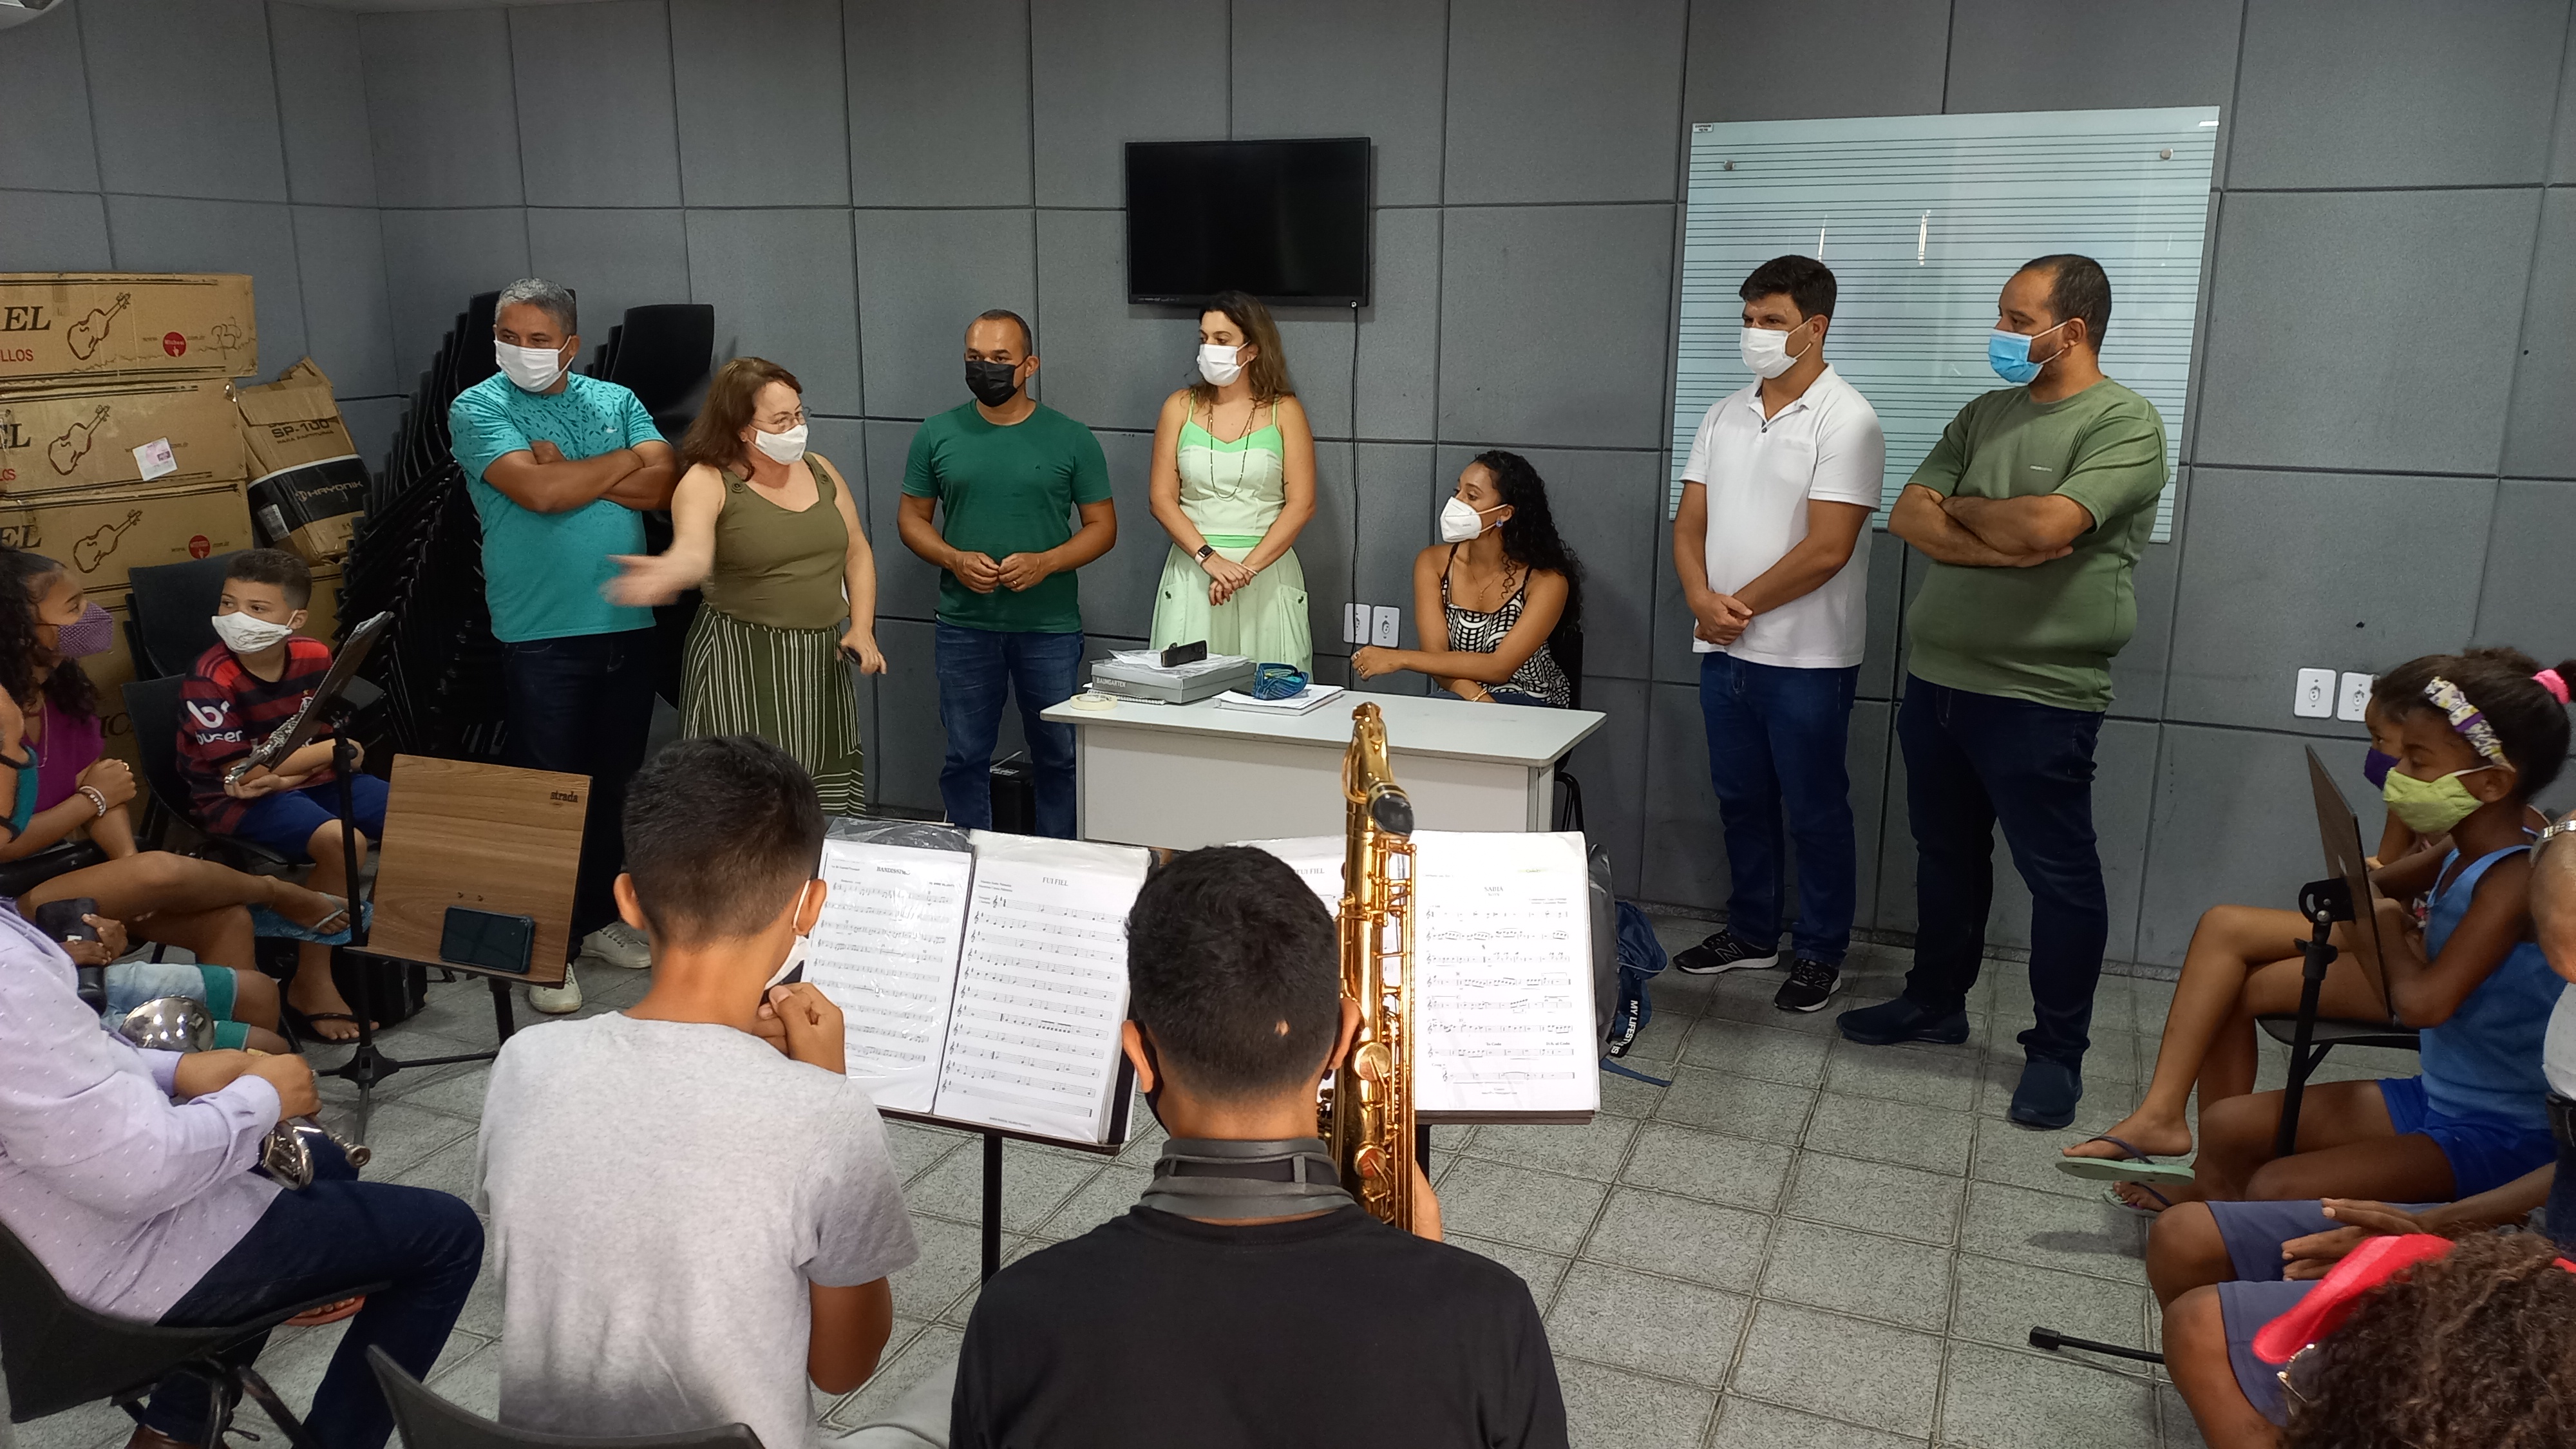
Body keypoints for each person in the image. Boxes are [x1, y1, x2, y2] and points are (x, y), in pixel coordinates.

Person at [951, 846, 1567, 1449]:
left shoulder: (1020, 1314)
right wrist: (1431, 1286)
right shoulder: (1490, 1317)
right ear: (1343, 1041)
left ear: (1139, 1055)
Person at [475, 735, 916, 1449]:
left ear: (628, 900)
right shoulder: (826, 1115)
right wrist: (821, 1084)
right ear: (809, 907)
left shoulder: (525, 1063)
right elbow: (844, 1367)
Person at [1837, 254, 2170, 1132]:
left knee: (2059, 878)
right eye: (2003, 316)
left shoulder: (2125, 422)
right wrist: (2001, 538)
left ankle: (2056, 1052)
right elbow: (1909, 514)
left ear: (2074, 330)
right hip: (1938, 680)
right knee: (1944, 855)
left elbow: (2052, 523)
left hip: (2040, 693)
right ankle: (1934, 1002)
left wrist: (1968, 508)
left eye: (2019, 321)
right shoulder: (1985, 413)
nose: (2002, 334)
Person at [2062, 652, 2566, 1197]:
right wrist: (2374, 895)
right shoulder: (2460, 847)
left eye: (2415, 760)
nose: (2396, 774)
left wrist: (2387, 924)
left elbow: (2421, 1003)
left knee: (2273, 1186)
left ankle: (2221, 1218)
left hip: (2499, 1129)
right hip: (2438, 1095)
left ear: (2491, 784)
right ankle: (2208, 1188)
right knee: (2228, 1126)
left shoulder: (2513, 875)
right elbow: (2374, 888)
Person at [0, 904, 482, 1449]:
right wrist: (263, 1098)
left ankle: (174, 1432)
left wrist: (178, 1069)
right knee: (447, 1235)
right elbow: (141, 1171)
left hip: (53, 1225)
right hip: (93, 1271)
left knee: (318, 1161)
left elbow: (47, 1072)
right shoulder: (8, 969)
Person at [450, 277, 679, 1012]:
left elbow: (666, 484)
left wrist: (574, 472)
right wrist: (619, 464)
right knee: (550, 794)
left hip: (625, 625)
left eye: (539, 339)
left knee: (615, 787)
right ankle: (546, 948)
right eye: (508, 336)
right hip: (541, 633)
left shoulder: (615, 400)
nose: (521, 350)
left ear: (571, 346)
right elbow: (540, 494)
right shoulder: (478, 407)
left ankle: (600, 918)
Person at [1667, 255, 1884, 1013]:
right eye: (1748, 319)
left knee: (1816, 809)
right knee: (1741, 800)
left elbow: (1828, 547)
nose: (1754, 333)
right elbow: (1688, 524)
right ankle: (1752, 933)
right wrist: (1700, 599)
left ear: (1814, 328)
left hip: (1807, 657)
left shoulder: (1847, 418)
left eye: (1772, 321)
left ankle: (1820, 951)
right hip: (1722, 648)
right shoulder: (1724, 413)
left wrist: (1733, 606)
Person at [0, 548, 327, 1050]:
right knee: (160, 870)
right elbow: (12, 839)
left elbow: (100, 780)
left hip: (66, 874)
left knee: (223, 918)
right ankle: (273, 892)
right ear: (20, 629)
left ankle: (229, 1056)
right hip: (10, 905)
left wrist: (126, 875)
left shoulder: (62, 692)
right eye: (74, 608)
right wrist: (91, 802)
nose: (92, 618)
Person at [609, 357, 884, 813]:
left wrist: (862, 627)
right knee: (744, 801)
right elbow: (692, 555)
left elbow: (856, 549)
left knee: (816, 797)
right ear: (740, 428)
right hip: (742, 658)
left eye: (799, 415)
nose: (796, 428)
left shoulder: (820, 469)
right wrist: (666, 573)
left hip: (819, 656)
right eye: (780, 420)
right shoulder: (706, 481)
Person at [897, 310, 1114, 838]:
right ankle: (972, 858)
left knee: (1060, 755)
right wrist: (953, 558)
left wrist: (1046, 562)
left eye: (1000, 358)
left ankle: (1057, 862)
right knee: (964, 755)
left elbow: (1103, 528)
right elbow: (911, 519)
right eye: (975, 358)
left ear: (1029, 365)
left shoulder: (1071, 437)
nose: (985, 368)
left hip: (1049, 626)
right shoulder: (937, 433)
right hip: (964, 624)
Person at [2150, 1168, 2559, 1447]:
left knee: (2204, 1330)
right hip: (2522, 1241)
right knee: (2184, 1239)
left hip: (2548, 1294)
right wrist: (2435, 1226)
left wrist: (2435, 1261)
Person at [176, 549, 391, 1043]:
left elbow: (334, 739)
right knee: (344, 842)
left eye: (257, 608)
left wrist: (310, 765)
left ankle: (376, 945)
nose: (236, 618)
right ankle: (312, 979)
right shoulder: (209, 677)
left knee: (419, 817)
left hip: (305, 781)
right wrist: (328, 755)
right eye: (228, 603)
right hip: (233, 799)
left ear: (294, 620)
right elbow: (244, 774)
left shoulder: (314, 655)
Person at [1145, 290, 1317, 672]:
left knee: (1271, 690)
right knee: (1186, 689)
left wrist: (1245, 571)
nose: (1210, 349)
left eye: (1222, 340)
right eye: (1204, 338)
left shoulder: (1285, 411)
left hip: (1266, 576)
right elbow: (1161, 499)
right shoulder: (1179, 407)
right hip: (1195, 573)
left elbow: (1302, 504)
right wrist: (1210, 559)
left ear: (1252, 349)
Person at [1349, 451, 1579, 706]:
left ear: (1505, 513)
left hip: (1531, 701)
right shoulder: (1433, 563)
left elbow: (1499, 667)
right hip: (1460, 698)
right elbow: (1435, 657)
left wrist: (1400, 659)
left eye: (1471, 497)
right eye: (1457, 492)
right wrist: (1476, 697)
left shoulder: (1547, 580)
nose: (1456, 504)